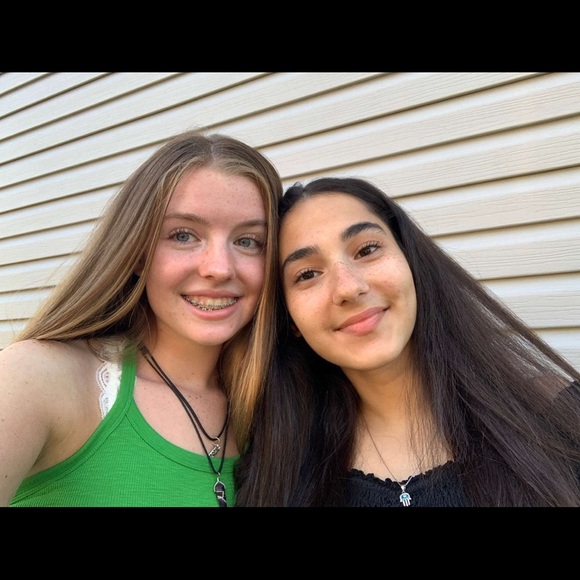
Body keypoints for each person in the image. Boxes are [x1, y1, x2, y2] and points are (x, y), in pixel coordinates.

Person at [235, 176, 580, 507]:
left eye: (367, 249)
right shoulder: (279, 473)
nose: (349, 287)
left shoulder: (554, 415)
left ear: (410, 259)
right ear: (289, 318)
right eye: (307, 274)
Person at [0, 129, 283, 507]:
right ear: (137, 253)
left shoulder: (283, 409)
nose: (219, 268)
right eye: (183, 235)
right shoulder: (38, 377)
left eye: (248, 241)